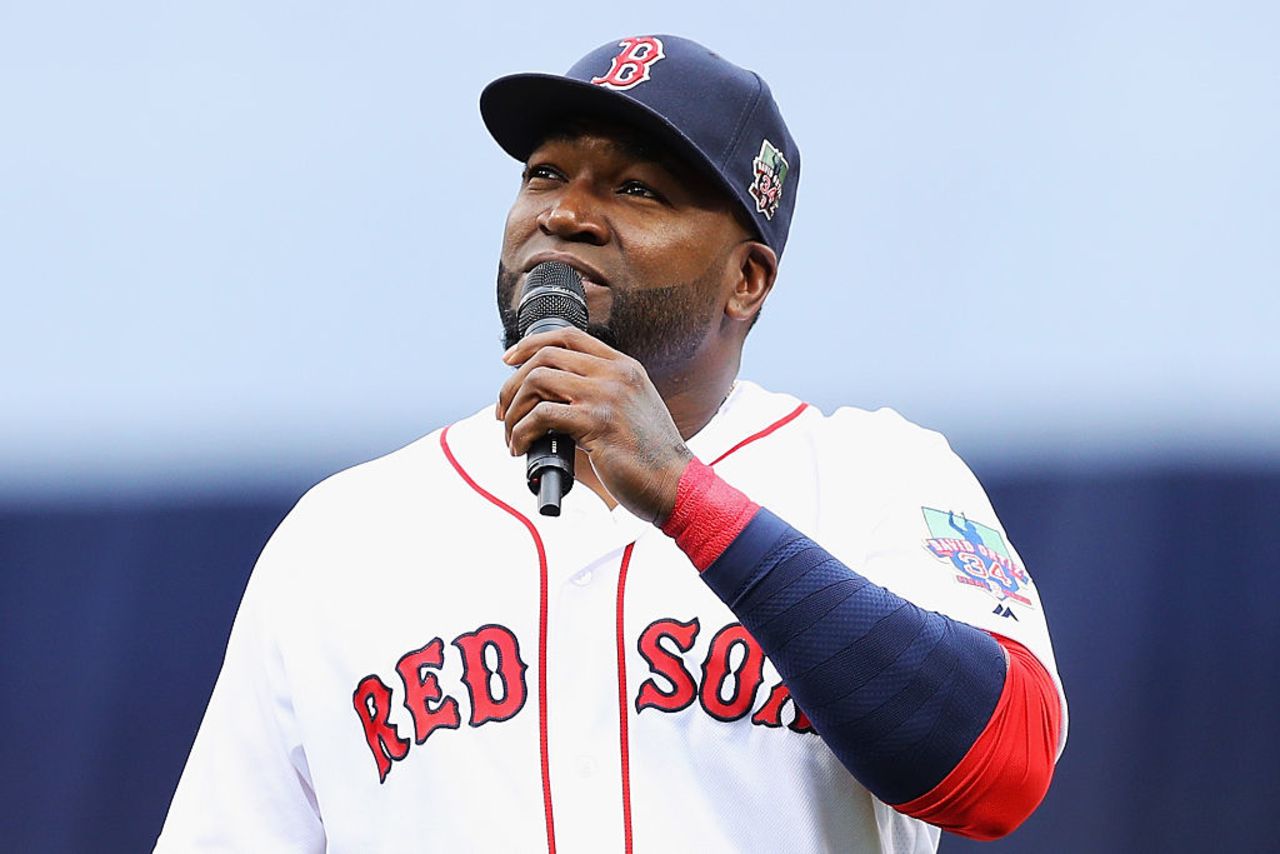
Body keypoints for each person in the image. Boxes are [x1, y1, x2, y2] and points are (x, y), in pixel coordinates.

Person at [157, 34, 1066, 853]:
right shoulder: (343, 536)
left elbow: (1005, 766)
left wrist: (683, 493)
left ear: (746, 280)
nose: (567, 214)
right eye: (544, 174)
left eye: (637, 189)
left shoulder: (876, 477)